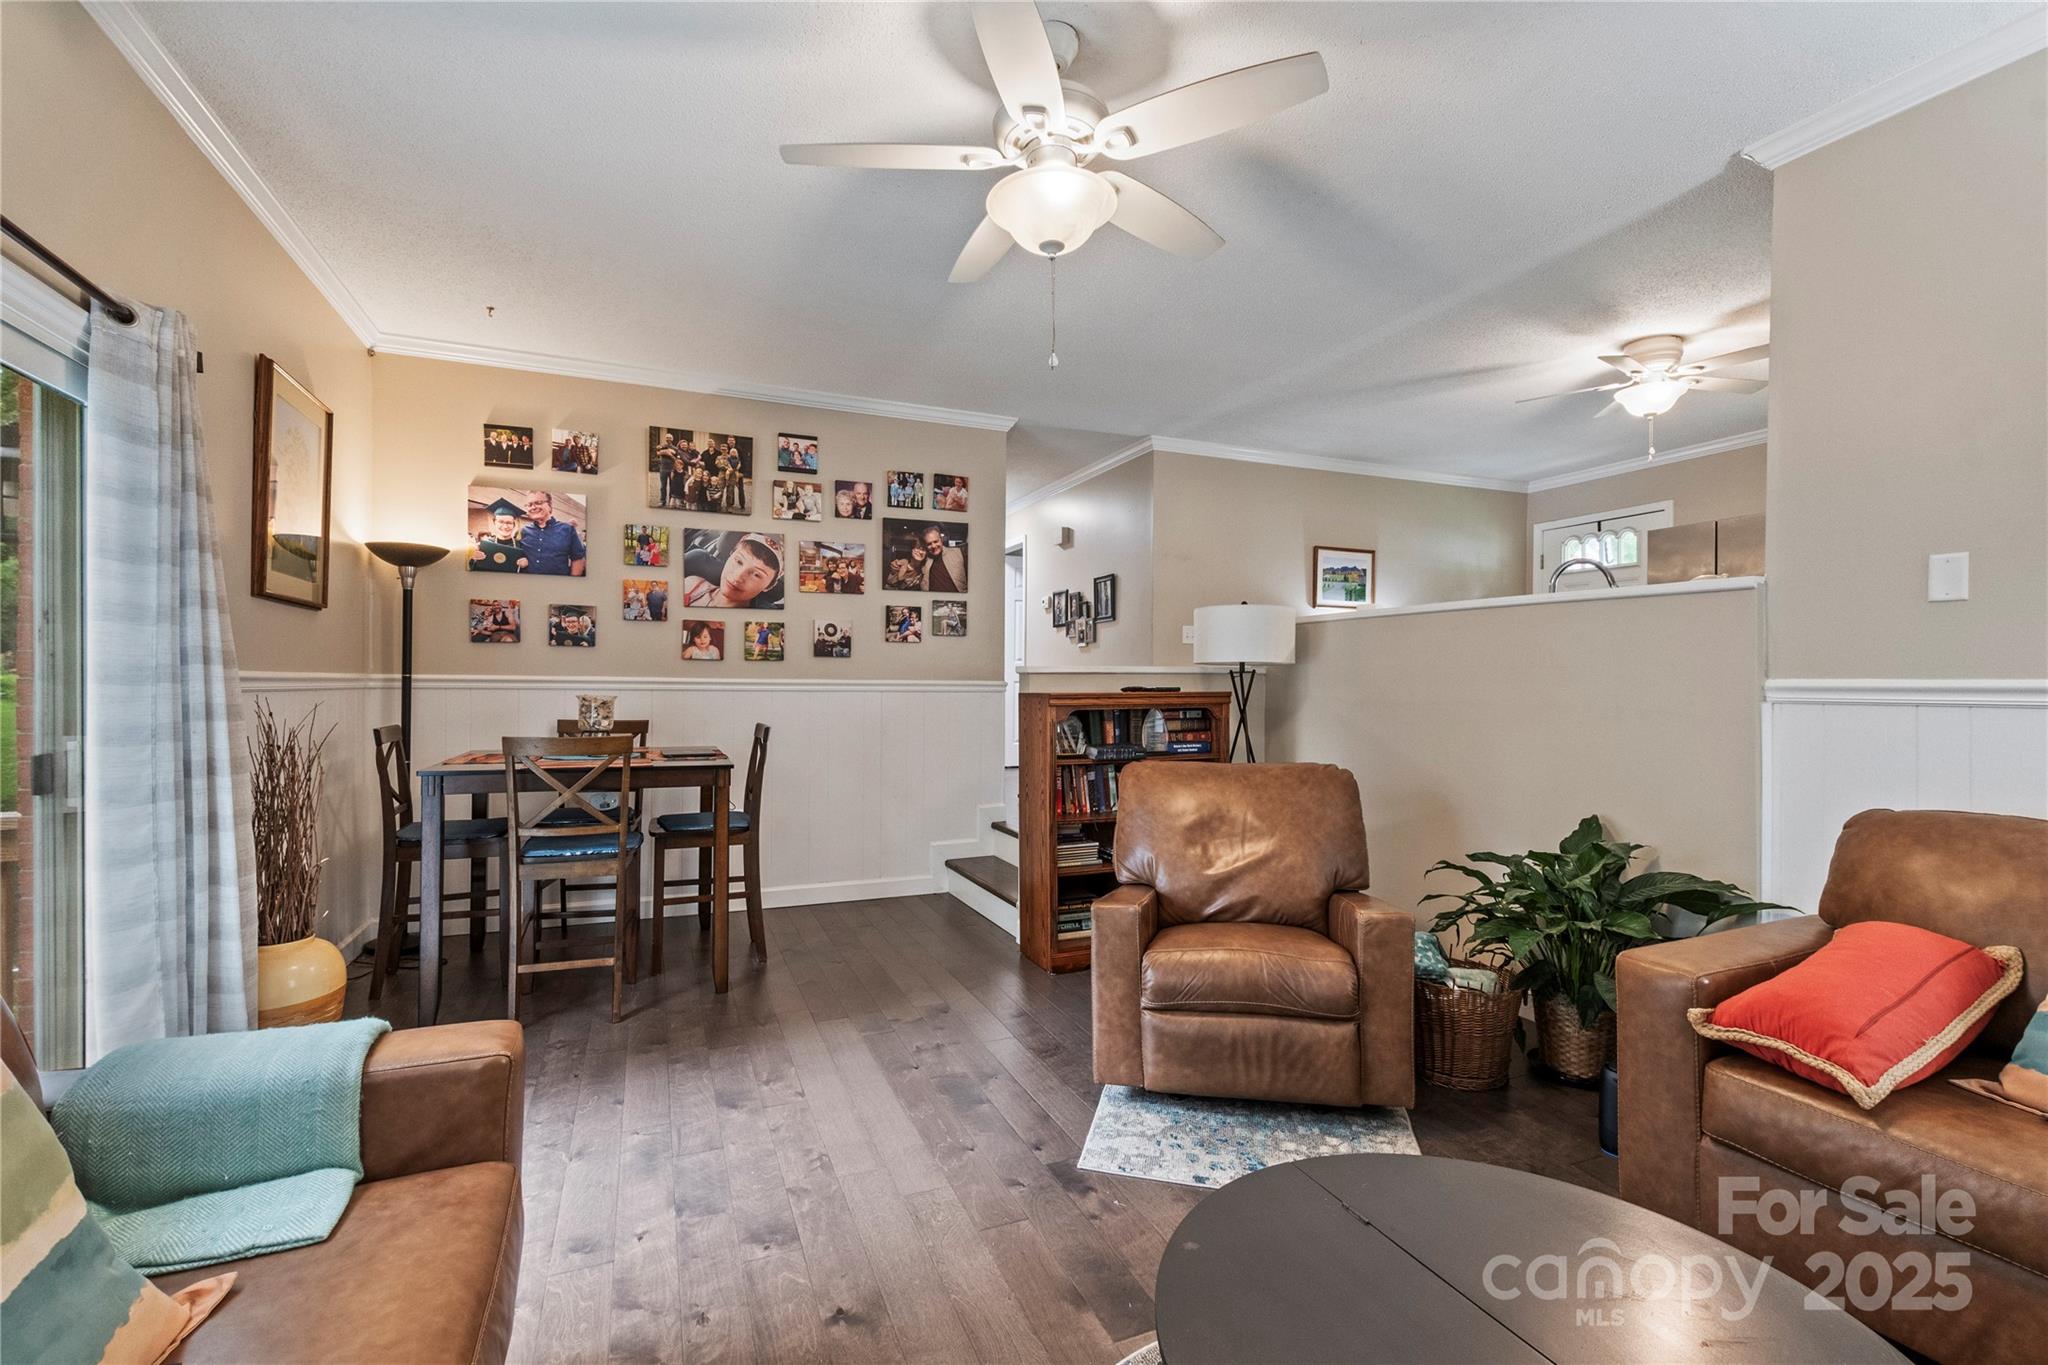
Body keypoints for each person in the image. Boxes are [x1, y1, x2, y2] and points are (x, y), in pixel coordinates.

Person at [680, 532, 781, 608]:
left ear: (769, 586)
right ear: (730, 555)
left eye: (756, 575)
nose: (738, 577)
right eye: (738, 561)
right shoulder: (691, 582)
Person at [519, 490, 586, 575]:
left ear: (550, 506)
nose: (533, 507)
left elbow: (578, 559)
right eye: (529, 505)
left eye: (538, 502)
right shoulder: (524, 531)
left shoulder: (567, 529)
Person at [470, 497, 528, 572]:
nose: (505, 526)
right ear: (494, 522)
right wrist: (474, 560)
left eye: (509, 523)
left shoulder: (522, 546)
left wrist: (527, 564)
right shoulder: (485, 546)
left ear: (514, 525)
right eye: (501, 522)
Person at [919, 523, 966, 592]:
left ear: (941, 539)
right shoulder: (923, 559)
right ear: (925, 545)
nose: (934, 546)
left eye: (936, 541)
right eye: (929, 544)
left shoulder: (958, 552)